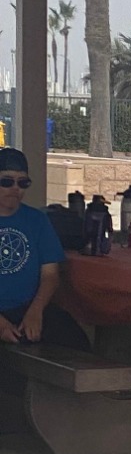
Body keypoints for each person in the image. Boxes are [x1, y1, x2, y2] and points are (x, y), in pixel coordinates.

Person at [0, 149, 88, 350]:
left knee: (75, 341)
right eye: (6, 182)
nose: (15, 189)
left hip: (27, 307)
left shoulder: (37, 220)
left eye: (22, 183)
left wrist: (36, 311)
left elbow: (50, 275)